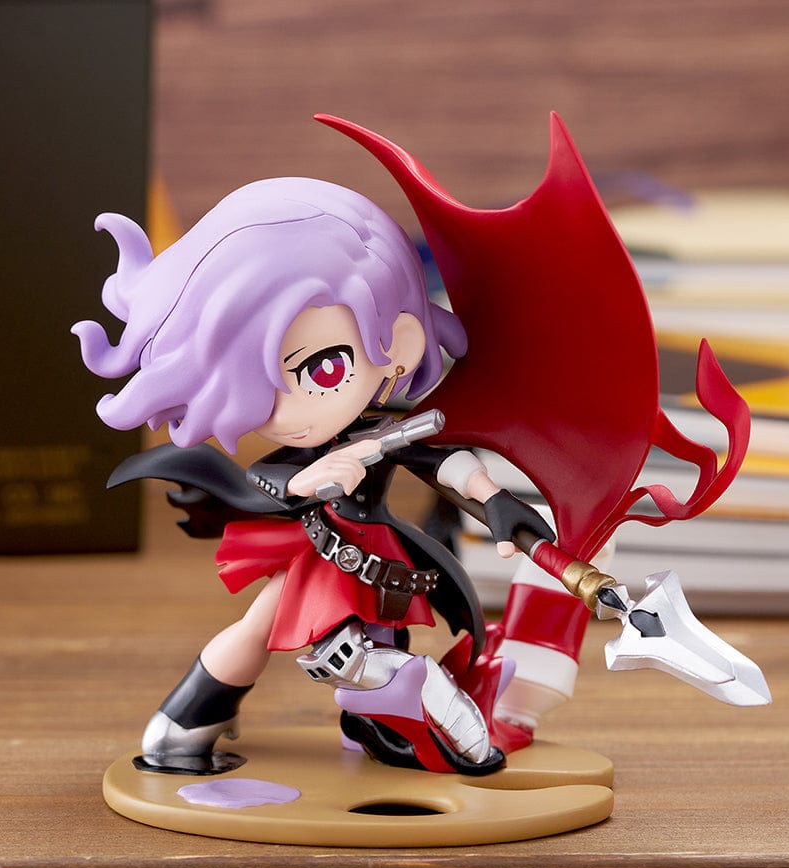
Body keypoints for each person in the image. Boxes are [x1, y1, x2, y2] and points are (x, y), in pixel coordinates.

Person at [74, 177, 551, 777]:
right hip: (322, 552)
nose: (286, 414)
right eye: (253, 387)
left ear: (400, 342)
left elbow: (440, 460)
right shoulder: (306, 453)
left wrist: (494, 499)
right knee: (289, 640)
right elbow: (269, 477)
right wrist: (309, 479)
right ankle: (184, 724)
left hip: (376, 555)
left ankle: (373, 729)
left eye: (323, 369)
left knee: (365, 639)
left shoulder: (387, 426)